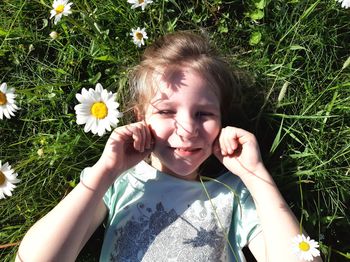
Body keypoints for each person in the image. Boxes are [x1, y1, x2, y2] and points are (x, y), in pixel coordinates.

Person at [16, 31, 321, 262]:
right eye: (165, 111)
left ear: (223, 122)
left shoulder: (235, 193)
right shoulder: (118, 182)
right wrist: (103, 173)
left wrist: (256, 176)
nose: (187, 130)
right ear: (139, 118)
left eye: (204, 114)